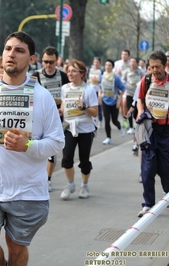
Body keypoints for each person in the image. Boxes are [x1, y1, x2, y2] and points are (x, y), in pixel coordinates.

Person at [0, 31, 65, 266]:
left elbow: (57, 142)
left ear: (32, 59)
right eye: (8, 49)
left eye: (19, 50)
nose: (11, 54)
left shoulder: (42, 97)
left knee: (16, 249)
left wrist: (28, 145)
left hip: (27, 191)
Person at [136, 50, 169, 217]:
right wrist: (142, 113)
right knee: (148, 167)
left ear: (165, 65)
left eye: (157, 66)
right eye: (151, 67)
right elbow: (140, 99)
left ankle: (168, 195)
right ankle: (148, 204)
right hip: (150, 129)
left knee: (166, 167)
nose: (154, 70)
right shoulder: (146, 80)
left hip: (166, 130)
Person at [60, 60, 98, 200]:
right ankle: (70, 184)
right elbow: (64, 103)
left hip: (85, 129)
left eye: (73, 71)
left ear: (81, 73)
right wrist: (60, 111)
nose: (70, 73)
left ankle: (84, 185)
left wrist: (84, 107)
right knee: (67, 157)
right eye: (68, 71)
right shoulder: (65, 88)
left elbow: (95, 112)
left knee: (84, 160)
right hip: (69, 127)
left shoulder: (89, 90)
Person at [33, 46, 69, 192]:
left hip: (58, 116)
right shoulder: (36, 75)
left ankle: (47, 179)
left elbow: (69, 94)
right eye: (45, 62)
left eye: (51, 62)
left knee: (52, 149)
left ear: (57, 61)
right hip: (41, 116)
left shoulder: (63, 76)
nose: (48, 65)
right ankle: (39, 176)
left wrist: (64, 108)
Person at [99, 59, 126, 145]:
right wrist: (99, 96)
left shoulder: (116, 77)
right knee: (106, 120)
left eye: (109, 65)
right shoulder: (102, 76)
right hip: (105, 101)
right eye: (106, 65)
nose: (107, 66)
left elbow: (123, 89)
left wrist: (119, 100)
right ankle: (108, 138)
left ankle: (120, 127)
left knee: (114, 120)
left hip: (114, 101)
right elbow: (100, 87)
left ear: (112, 67)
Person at [122, 57, 143, 135]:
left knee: (136, 111)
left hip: (137, 95)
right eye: (131, 61)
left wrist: (139, 83)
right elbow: (123, 80)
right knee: (129, 110)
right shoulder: (126, 71)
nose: (132, 63)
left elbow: (144, 79)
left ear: (136, 63)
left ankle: (137, 124)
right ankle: (131, 127)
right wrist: (127, 84)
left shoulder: (140, 71)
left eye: (134, 62)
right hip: (129, 93)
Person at [88, 57, 104, 128]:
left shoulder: (101, 71)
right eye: (94, 62)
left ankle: (100, 120)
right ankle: (93, 120)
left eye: (97, 62)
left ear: (99, 63)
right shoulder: (90, 70)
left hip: (98, 91)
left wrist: (98, 80)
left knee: (98, 106)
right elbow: (87, 79)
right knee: (91, 105)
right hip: (91, 90)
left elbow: (103, 82)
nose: (96, 64)